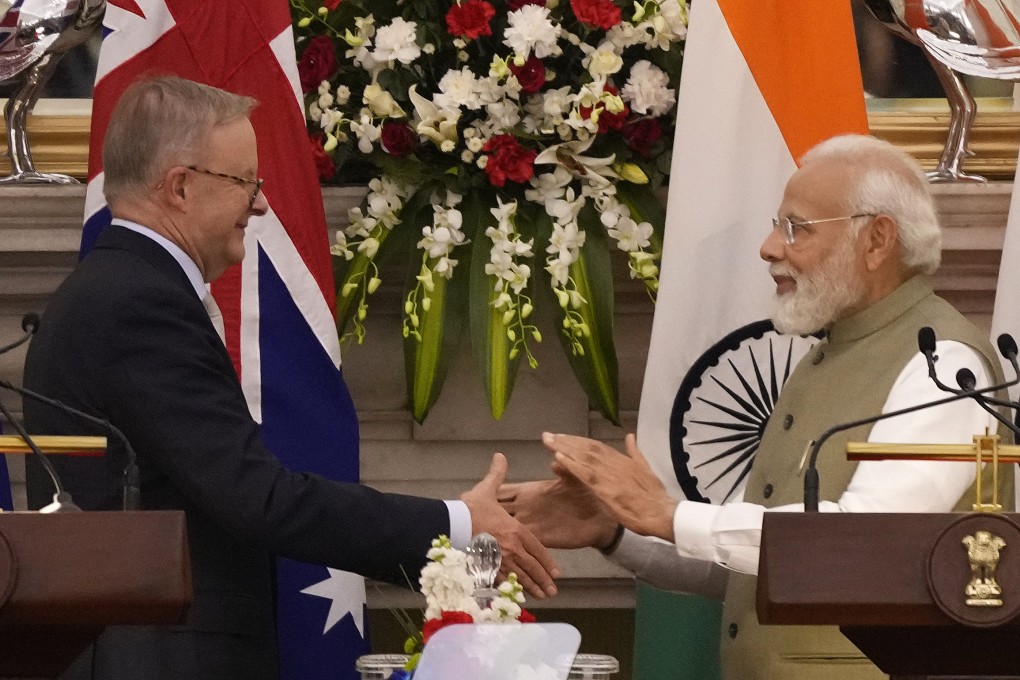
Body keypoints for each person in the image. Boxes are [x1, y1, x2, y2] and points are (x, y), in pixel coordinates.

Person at [21, 76, 558, 680]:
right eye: (245, 182)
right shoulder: (138, 302)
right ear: (179, 187)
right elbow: (258, 497)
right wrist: (456, 522)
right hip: (159, 655)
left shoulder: (116, 288)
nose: (260, 203)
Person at [500, 134, 1014, 680]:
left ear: (877, 239)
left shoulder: (944, 367)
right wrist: (618, 529)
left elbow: (859, 548)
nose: (769, 247)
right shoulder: (828, 355)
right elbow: (759, 566)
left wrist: (671, 515)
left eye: (796, 227)